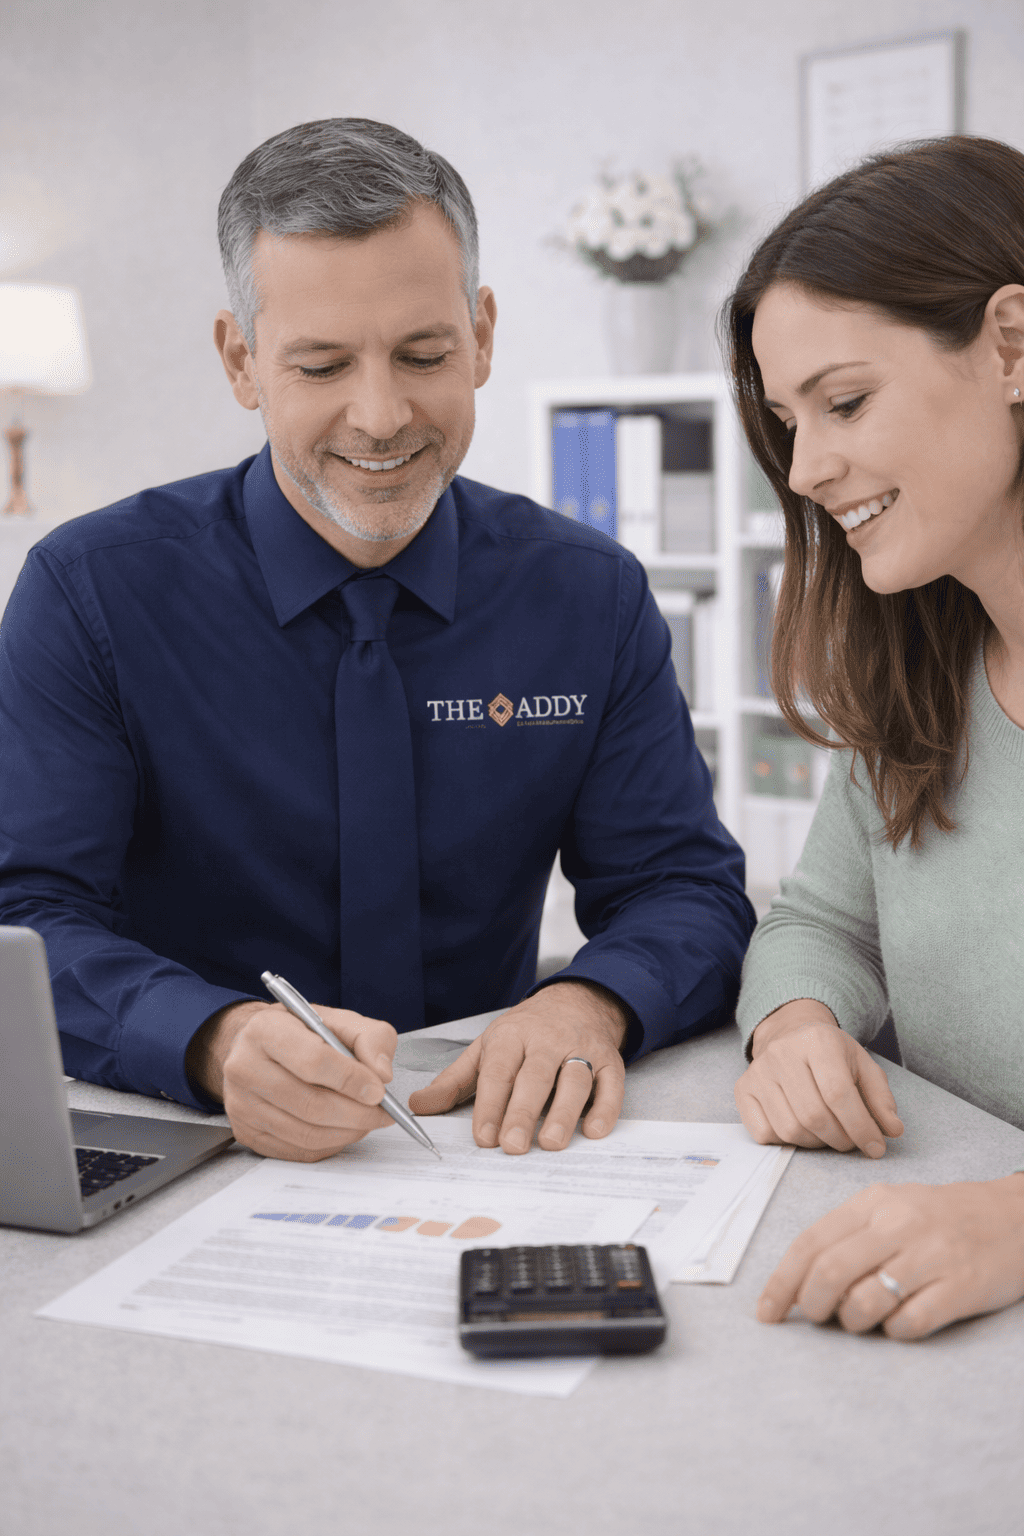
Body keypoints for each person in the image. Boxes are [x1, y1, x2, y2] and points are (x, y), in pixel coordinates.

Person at [0, 117, 756, 1163]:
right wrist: (213, 1040)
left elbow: (685, 890)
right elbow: (26, 914)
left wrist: (585, 1005)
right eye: (319, 366)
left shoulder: (590, 597)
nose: (381, 413)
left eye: (423, 353)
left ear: (482, 335)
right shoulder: (88, 592)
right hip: (185, 1137)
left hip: (491, 1150)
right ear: (241, 360)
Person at [722, 134, 1024, 1340]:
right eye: (789, 421)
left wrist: (1009, 1220)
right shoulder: (922, 678)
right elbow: (819, 920)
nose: (804, 469)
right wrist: (795, 1022)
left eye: (844, 402)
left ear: (1010, 344)